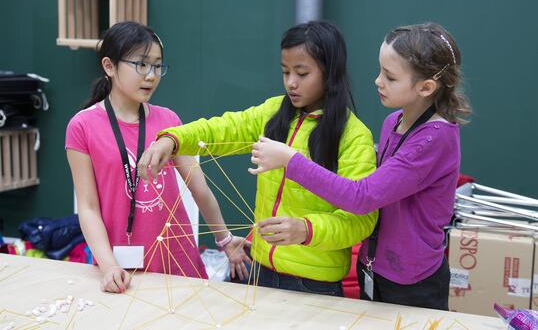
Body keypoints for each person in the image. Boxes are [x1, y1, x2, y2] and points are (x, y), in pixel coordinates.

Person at [137, 21, 378, 296]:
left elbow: (361, 220)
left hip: (315, 285)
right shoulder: (273, 112)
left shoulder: (354, 136)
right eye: (285, 71)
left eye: (302, 73)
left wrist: (306, 229)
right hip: (261, 272)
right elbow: (220, 129)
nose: (291, 82)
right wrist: (173, 139)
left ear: (330, 72)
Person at [248, 22, 471, 310]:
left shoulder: (435, 139)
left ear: (426, 87)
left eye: (390, 77)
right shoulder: (393, 123)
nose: (378, 81)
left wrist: (292, 161)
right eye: (380, 71)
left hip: (413, 283)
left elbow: (362, 197)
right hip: (374, 270)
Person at [65, 21, 250, 293]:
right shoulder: (82, 126)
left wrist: (224, 239)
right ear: (109, 66)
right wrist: (108, 267)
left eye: (157, 66)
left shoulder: (169, 121)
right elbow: (88, 207)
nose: (151, 75)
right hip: (118, 270)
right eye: (141, 65)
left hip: (179, 264)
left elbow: (200, 189)